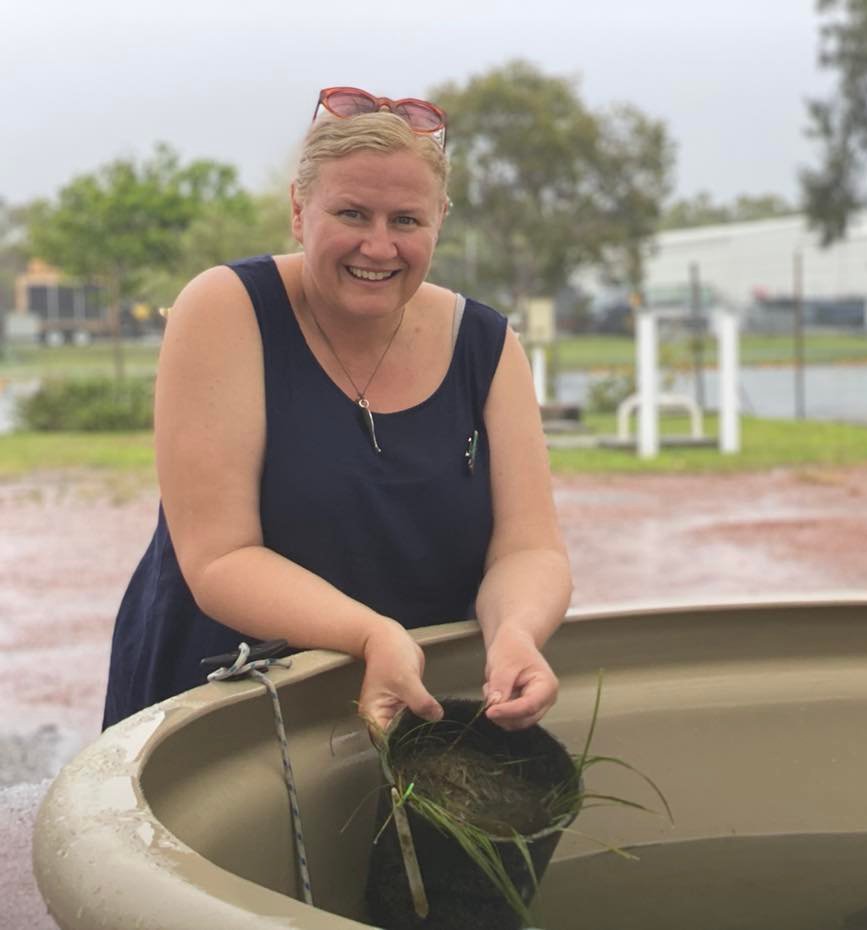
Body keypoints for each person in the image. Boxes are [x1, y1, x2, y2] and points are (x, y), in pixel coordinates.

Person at [102, 87, 572, 735]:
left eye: (406, 221)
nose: (378, 248)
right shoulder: (225, 310)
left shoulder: (487, 345)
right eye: (352, 214)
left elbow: (529, 548)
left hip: (426, 708)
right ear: (299, 211)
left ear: (439, 219)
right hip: (230, 700)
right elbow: (219, 557)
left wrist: (516, 630)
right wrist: (370, 634)